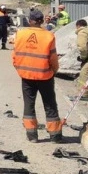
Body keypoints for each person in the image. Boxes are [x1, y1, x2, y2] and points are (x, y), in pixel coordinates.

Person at [12, 9, 62, 143]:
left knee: (29, 104)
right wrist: (54, 70)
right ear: (42, 21)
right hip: (45, 75)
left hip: (26, 75)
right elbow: (53, 58)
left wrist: (19, 68)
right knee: (50, 104)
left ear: (30, 20)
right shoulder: (49, 36)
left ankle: (32, 135)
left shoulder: (20, 34)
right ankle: (55, 135)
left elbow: (15, 54)